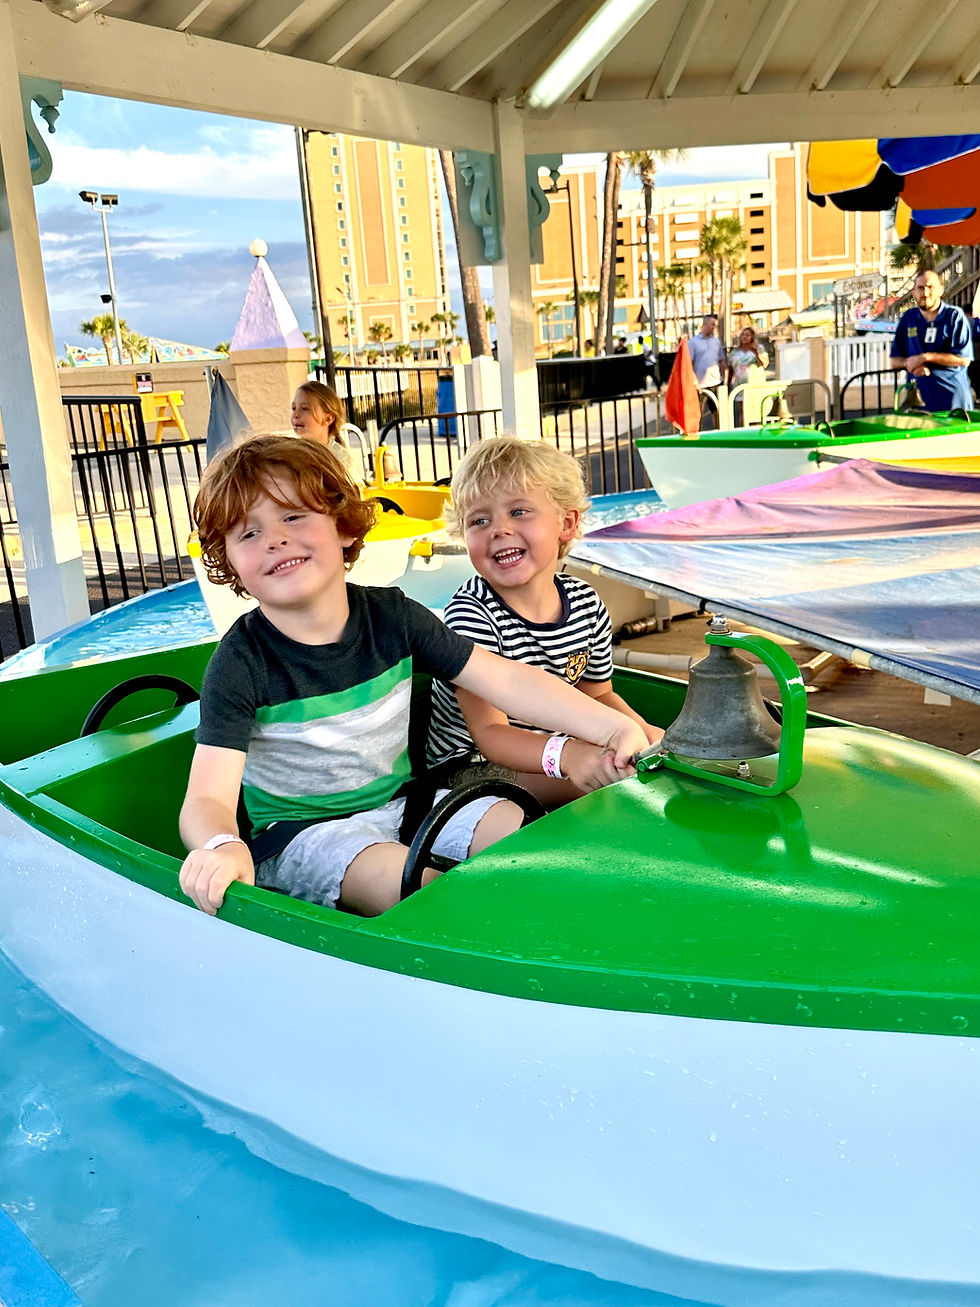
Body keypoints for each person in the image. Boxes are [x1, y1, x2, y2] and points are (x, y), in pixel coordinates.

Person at [178, 435, 647, 917]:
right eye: (248, 534)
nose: (274, 539)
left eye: (293, 516)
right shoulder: (240, 662)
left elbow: (507, 680)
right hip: (304, 835)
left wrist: (610, 729)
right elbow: (207, 796)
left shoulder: (393, 617)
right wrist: (220, 844)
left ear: (342, 526)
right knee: (416, 886)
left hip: (408, 804)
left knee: (524, 834)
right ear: (230, 560)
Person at [426, 437, 662, 807]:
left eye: (518, 512)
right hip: (470, 770)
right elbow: (491, 733)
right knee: (614, 786)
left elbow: (598, 695)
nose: (499, 529)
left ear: (566, 523)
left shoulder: (585, 603)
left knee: (646, 766)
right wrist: (566, 757)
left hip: (554, 755)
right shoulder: (471, 615)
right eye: (480, 520)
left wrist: (649, 736)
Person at [889, 270, 974, 412]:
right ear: (913, 292)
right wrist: (911, 364)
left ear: (940, 290)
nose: (925, 293)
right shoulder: (908, 318)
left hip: (953, 403)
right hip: (919, 403)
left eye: (931, 287)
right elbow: (894, 361)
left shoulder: (954, 316)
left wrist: (925, 357)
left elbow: (964, 359)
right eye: (920, 288)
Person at [687, 315, 727, 430]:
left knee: (717, 411)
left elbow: (721, 360)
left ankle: (718, 434)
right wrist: (693, 380)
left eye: (715, 325)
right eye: (712, 325)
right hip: (699, 384)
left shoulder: (716, 341)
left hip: (715, 382)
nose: (714, 327)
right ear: (704, 324)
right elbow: (689, 363)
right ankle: (696, 434)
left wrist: (725, 378)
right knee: (697, 412)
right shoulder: (693, 342)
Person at [727, 326, 769, 424]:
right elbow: (731, 369)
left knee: (755, 411)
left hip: (755, 384)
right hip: (740, 385)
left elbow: (764, 364)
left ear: (752, 337)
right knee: (743, 412)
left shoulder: (759, 349)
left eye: (748, 335)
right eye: (743, 335)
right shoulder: (735, 352)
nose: (745, 337)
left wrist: (755, 352)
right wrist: (728, 384)